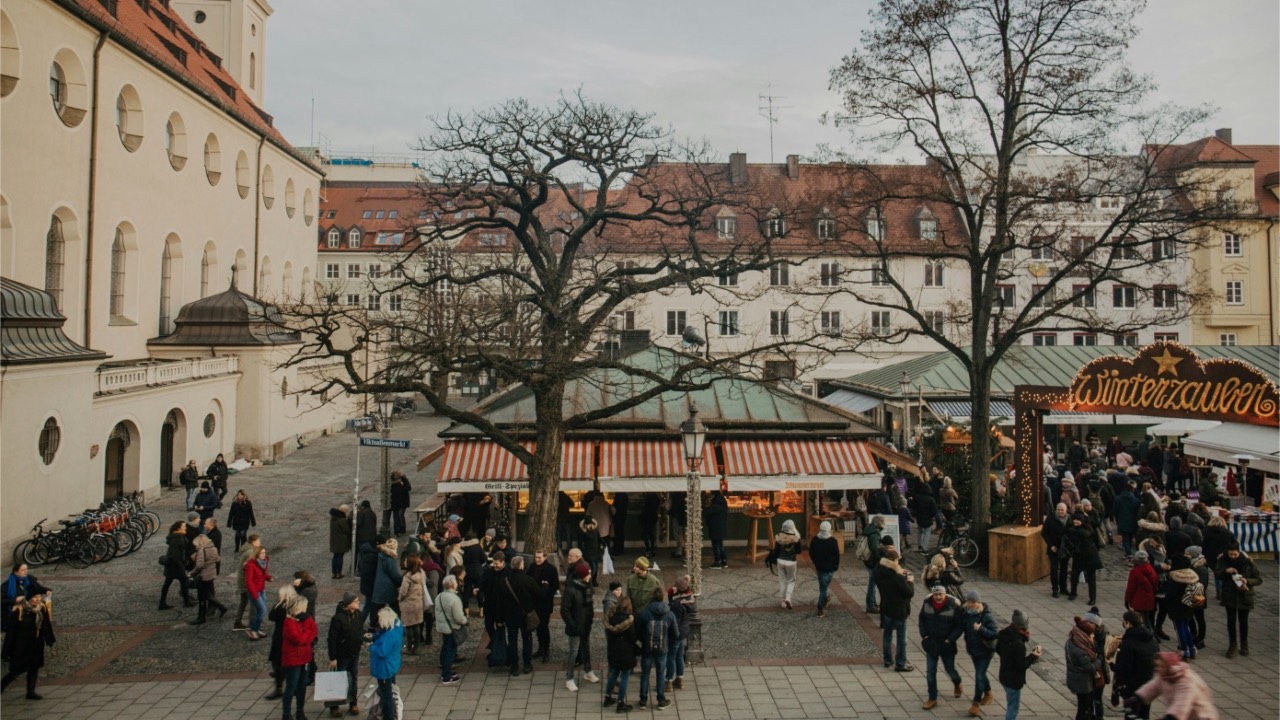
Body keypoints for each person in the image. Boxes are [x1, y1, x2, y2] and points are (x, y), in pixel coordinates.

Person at [0, 587, 55, 700]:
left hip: (36, 643)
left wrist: (49, 638)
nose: (37, 599)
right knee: (15, 671)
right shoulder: (19, 611)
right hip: (21, 645)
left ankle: (30, 691)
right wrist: (6, 651)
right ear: (29, 598)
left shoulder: (41, 609)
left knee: (34, 667)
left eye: (39, 597)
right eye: (35, 597)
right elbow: (11, 633)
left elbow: (45, 625)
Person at [1127, 652, 1218, 720]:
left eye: (1160, 666)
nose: (1157, 669)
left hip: (1201, 716)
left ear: (1168, 667)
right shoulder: (1164, 675)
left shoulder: (1186, 681)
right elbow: (1152, 687)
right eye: (1156, 666)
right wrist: (1137, 698)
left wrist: (1170, 717)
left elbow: (1182, 704)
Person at [918, 584, 964, 711]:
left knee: (950, 670)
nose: (938, 597)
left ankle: (957, 682)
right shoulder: (927, 603)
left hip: (946, 644)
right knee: (930, 672)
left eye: (940, 594)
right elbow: (921, 619)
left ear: (944, 594)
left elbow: (959, 626)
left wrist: (950, 639)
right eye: (936, 594)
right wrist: (924, 635)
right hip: (931, 643)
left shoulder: (952, 605)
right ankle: (932, 698)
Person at [1215, 541, 1261, 658]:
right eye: (1231, 554)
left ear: (1239, 552)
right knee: (1231, 621)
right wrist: (1226, 571)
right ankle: (1232, 646)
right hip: (1229, 595)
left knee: (1243, 621)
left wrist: (1247, 581)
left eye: (1235, 554)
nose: (1233, 557)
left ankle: (1244, 645)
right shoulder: (1223, 560)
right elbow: (1217, 574)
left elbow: (1258, 579)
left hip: (1245, 595)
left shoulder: (1247, 561)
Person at [995, 609, 1040, 720]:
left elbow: (998, 649)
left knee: (1011, 703)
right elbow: (1021, 666)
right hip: (1013, 681)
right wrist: (1033, 656)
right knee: (1013, 708)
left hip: (1004, 675)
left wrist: (1008, 657)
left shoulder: (1004, 633)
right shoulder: (1019, 645)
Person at [875, 548, 915, 672]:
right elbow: (908, 593)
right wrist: (910, 582)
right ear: (895, 561)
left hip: (886, 608)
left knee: (887, 636)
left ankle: (887, 659)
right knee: (901, 638)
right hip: (899, 610)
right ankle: (900, 663)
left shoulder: (880, 571)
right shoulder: (897, 577)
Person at [1113, 611, 1158, 720]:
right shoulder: (1152, 639)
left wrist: (1112, 665)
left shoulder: (1129, 643)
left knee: (1131, 714)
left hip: (1133, 686)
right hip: (1149, 683)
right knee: (1144, 714)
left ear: (1129, 623)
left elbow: (1125, 669)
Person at [637, 586, 676, 711]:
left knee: (645, 673)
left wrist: (644, 640)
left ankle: (643, 700)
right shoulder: (669, 613)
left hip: (647, 648)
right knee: (660, 673)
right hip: (662, 648)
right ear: (662, 597)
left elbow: (637, 631)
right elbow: (676, 633)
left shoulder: (644, 612)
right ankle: (661, 700)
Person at [325, 592, 364, 718]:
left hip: (354, 653)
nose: (358, 603)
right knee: (338, 680)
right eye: (356, 601)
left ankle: (353, 703)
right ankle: (334, 706)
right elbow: (332, 639)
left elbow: (359, 630)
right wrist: (333, 657)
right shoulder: (338, 619)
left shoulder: (358, 614)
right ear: (349, 604)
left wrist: (362, 640)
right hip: (342, 655)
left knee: (353, 678)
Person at [280, 594, 317, 720]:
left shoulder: (305, 618)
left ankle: (300, 711)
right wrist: (307, 635)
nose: (306, 609)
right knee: (291, 687)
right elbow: (298, 639)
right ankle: (286, 713)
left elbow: (314, 630)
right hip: (293, 659)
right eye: (305, 606)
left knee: (302, 686)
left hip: (305, 657)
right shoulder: (289, 622)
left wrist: (306, 636)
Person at [561, 563, 598, 692]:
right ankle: (569, 678)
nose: (590, 576)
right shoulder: (571, 590)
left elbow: (589, 606)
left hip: (585, 624)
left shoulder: (587, 586)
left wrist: (590, 618)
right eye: (588, 574)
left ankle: (588, 671)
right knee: (574, 652)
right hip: (576, 626)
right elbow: (564, 610)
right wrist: (573, 625)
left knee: (586, 648)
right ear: (582, 576)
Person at [961, 590, 998, 716]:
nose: (971, 604)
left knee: (979, 675)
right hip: (973, 650)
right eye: (970, 602)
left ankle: (975, 704)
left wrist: (981, 629)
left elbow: (995, 633)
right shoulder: (966, 614)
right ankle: (988, 693)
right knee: (981, 674)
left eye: (974, 602)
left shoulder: (986, 616)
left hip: (985, 651)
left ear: (979, 602)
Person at [503, 555, 539, 676]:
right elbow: (537, 594)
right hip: (525, 615)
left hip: (510, 615)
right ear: (521, 565)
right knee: (527, 639)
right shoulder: (527, 579)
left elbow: (500, 599)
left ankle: (514, 666)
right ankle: (527, 664)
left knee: (512, 640)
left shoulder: (505, 580)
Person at [265, 585, 300, 700]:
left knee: (278, 662)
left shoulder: (281, 608)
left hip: (281, 638)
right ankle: (293, 686)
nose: (278, 596)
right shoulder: (296, 606)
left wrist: (278, 603)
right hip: (289, 637)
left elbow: (271, 616)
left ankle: (279, 687)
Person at [1064, 615, 1102, 720]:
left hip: (1078, 679)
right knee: (1083, 709)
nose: (1092, 636)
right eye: (1090, 634)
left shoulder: (1073, 640)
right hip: (1082, 682)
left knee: (1086, 708)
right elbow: (1090, 668)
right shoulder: (1080, 649)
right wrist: (1099, 660)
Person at [369, 607, 405, 720]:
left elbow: (382, 652)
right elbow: (384, 635)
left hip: (384, 668)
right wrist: (375, 637)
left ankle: (389, 716)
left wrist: (371, 646)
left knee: (386, 695)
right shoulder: (396, 628)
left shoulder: (390, 635)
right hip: (391, 665)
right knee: (389, 691)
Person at [604, 596, 637, 713]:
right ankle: (620, 703)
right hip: (625, 652)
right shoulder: (628, 621)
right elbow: (633, 638)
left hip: (613, 650)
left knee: (614, 673)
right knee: (625, 677)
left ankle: (607, 697)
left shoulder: (611, 617)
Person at [526, 549, 558, 662]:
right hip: (534, 603)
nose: (537, 559)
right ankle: (540, 648)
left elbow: (555, 586)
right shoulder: (532, 567)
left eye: (539, 557)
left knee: (544, 627)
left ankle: (546, 649)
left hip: (545, 603)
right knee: (537, 626)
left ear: (545, 557)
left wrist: (545, 593)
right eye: (536, 557)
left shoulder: (551, 569)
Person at [188, 534, 227, 625]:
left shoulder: (202, 550)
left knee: (202, 596)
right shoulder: (214, 548)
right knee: (208, 594)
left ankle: (202, 616)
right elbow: (217, 559)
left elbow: (199, 565)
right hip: (211, 575)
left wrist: (191, 572)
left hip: (203, 576)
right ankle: (217, 608)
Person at [435, 574, 467, 685]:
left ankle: (445, 670)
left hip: (443, 627)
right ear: (453, 585)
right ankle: (446, 675)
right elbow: (458, 618)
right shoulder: (454, 599)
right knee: (451, 651)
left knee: (445, 647)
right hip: (452, 628)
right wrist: (465, 621)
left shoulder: (439, 596)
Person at [666, 576, 694, 692]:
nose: (673, 587)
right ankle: (680, 679)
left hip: (676, 632)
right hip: (684, 630)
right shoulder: (689, 598)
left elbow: (674, 621)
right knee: (679, 655)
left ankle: (668, 681)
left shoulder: (676, 604)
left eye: (675, 586)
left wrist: (673, 634)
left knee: (671, 656)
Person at [1066, 512, 1101, 604]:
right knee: (1074, 576)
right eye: (1075, 520)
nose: (1076, 521)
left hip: (1089, 556)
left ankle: (1092, 598)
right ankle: (1073, 592)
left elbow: (1086, 535)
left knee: (1091, 579)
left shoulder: (1085, 530)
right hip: (1078, 557)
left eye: (1078, 520)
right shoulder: (1072, 530)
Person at [398, 555, 430, 656]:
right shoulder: (422, 573)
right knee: (416, 625)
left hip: (408, 604)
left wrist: (399, 598)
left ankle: (409, 647)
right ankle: (416, 647)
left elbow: (403, 592)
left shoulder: (407, 577)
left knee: (408, 626)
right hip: (418, 602)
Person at [159, 521, 193, 610]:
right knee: (181, 582)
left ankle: (163, 602)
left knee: (170, 583)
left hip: (174, 565)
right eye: (184, 526)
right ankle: (186, 601)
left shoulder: (179, 536)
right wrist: (181, 566)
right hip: (175, 565)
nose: (185, 528)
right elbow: (175, 555)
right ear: (178, 528)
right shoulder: (177, 539)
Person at [809, 520, 840, 618]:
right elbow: (836, 555)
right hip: (829, 567)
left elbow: (811, 552)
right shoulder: (832, 541)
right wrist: (836, 565)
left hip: (819, 566)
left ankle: (825, 599)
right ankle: (820, 607)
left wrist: (815, 561)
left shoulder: (815, 540)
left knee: (822, 585)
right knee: (824, 587)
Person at [1124, 550, 1160, 630]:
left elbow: (1131, 588)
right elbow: (1155, 585)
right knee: (1147, 619)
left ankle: (1147, 636)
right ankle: (1152, 634)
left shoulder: (1134, 572)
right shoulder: (1151, 569)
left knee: (1140, 621)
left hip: (1138, 600)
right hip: (1149, 599)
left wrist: (1127, 600)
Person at [233, 534, 263, 630]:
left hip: (242, 581)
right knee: (254, 604)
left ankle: (237, 622)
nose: (260, 543)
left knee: (244, 601)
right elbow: (249, 568)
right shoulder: (251, 552)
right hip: (247, 582)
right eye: (258, 541)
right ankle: (253, 624)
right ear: (254, 542)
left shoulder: (248, 550)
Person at [244, 546, 273, 640]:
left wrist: (268, 577)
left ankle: (256, 629)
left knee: (261, 610)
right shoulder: (250, 565)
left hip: (261, 589)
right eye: (261, 553)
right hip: (255, 591)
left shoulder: (263, 562)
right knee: (262, 610)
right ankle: (252, 630)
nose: (264, 555)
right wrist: (255, 595)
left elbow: (262, 574)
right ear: (256, 554)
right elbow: (249, 582)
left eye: (264, 552)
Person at [1042, 503, 1070, 599]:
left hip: (1065, 548)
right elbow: (1044, 532)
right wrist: (1051, 545)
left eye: (1062, 510)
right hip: (1053, 547)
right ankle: (1055, 589)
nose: (1060, 511)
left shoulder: (1069, 519)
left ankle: (1063, 588)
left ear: (1066, 510)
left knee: (1064, 569)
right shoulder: (1051, 518)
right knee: (1054, 569)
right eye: (1058, 509)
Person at [773, 519, 803, 609]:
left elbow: (776, 551)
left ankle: (783, 602)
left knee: (782, 581)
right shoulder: (796, 539)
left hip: (780, 561)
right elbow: (799, 551)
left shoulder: (778, 537)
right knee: (791, 581)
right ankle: (788, 598)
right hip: (791, 562)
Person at [2, 563, 38, 634]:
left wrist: (46, 590)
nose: (26, 571)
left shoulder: (29, 579)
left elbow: (37, 587)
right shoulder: (7, 585)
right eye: (23, 570)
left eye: (26, 569)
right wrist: (15, 600)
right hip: (12, 613)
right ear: (16, 572)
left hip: (27, 610)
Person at [861, 517, 887, 613]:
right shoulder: (875, 534)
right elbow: (874, 549)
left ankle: (872, 603)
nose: (884, 524)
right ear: (878, 523)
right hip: (872, 561)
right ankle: (870, 605)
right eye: (883, 522)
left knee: (873, 582)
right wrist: (882, 559)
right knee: (873, 582)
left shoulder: (869, 529)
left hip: (868, 559)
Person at [1113, 481, 1140, 558]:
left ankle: (1128, 553)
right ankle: (1128, 552)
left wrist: (1117, 520)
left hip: (1122, 520)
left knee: (1125, 538)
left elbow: (1115, 511)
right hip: (1132, 521)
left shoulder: (1118, 499)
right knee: (1130, 537)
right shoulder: (1136, 501)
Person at [705, 491, 729, 569]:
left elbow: (706, 513)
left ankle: (717, 562)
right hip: (722, 527)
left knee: (716, 545)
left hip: (714, 528)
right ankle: (724, 561)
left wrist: (707, 506)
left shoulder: (715, 506)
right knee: (720, 545)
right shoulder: (723, 504)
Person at [912, 484, 939, 553]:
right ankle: (925, 547)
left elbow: (914, 507)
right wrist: (931, 516)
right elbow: (934, 510)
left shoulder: (917, 497)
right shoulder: (931, 499)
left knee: (920, 531)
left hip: (919, 518)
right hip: (928, 518)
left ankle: (920, 545)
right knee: (927, 533)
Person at [578, 516, 603, 585]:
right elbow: (580, 543)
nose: (588, 526)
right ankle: (589, 579)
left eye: (589, 524)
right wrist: (581, 552)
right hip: (588, 552)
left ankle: (593, 580)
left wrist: (604, 543)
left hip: (596, 551)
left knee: (596, 567)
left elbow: (599, 539)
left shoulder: (595, 531)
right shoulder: (583, 532)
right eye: (587, 525)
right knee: (593, 567)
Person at [329, 504, 352, 580]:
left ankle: (333, 573)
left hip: (334, 541)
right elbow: (347, 530)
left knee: (335, 557)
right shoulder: (342, 520)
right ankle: (339, 573)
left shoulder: (333, 519)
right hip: (341, 541)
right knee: (340, 557)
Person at [388, 471, 413, 536]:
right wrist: (404, 479)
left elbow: (408, 488)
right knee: (399, 516)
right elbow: (408, 488)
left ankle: (399, 529)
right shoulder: (399, 485)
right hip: (401, 503)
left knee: (398, 516)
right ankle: (400, 529)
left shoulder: (393, 485)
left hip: (397, 503)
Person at [611, 491, 630, 557]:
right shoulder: (625, 496)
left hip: (617, 517)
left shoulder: (617, 497)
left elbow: (613, 508)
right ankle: (621, 548)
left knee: (617, 533)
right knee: (621, 532)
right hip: (623, 516)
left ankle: (616, 549)